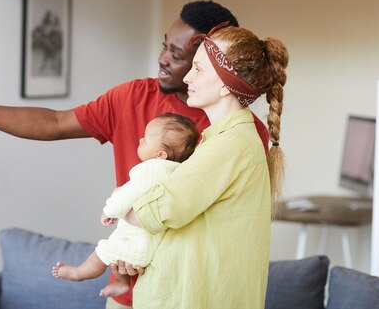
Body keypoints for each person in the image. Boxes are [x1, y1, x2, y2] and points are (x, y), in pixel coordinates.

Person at [0, 0, 270, 309]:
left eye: (177, 54)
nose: (162, 59)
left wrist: (134, 228)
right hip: (128, 291)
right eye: (164, 46)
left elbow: (215, 227)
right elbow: (57, 123)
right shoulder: (132, 97)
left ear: (211, 64)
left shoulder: (234, 134)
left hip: (184, 293)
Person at [124, 24, 289, 308]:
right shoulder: (224, 139)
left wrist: (123, 214)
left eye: (198, 69)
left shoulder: (230, 145)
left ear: (227, 84)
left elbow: (157, 210)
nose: (187, 76)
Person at [52, 114, 200, 298]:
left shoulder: (150, 169)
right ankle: (121, 283)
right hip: (152, 244)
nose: (140, 139)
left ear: (160, 155)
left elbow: (129, 194)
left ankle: (79, 273)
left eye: (145, 140)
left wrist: (109, 210)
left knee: (102, 252)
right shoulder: (176, 171)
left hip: (137, 240)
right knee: (120, 253)